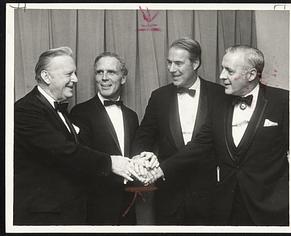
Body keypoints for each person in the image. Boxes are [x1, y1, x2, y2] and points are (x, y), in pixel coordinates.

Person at [152, 45, 289, 226]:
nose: (221, 76)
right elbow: (199, 145)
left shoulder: (284, 101)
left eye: (229, 71)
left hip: (270, 208)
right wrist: (160, 170)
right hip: (226, 207)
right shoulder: (219, 102)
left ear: (251, 75)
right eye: (222, 68)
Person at [14, 47, 143, 225]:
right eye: (69, 74)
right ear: (46, 77)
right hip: (44, 215)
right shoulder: (26, 110)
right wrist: (111, 162)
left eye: (74, 73)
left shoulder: (57, 108)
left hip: (67, 211)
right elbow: (65, 151)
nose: (75, 79)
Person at [132, 38, 218, 225]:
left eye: (178, 63)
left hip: (208, 195)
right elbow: (144, 135)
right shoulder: (159, 96)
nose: (171, 69)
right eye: (169, 62)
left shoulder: (219, 95)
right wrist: (140, 158)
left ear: (196, 63)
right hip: (168, 194)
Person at [70, 52, 139, 225]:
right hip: (96, 207)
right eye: (100, 72)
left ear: (123, 78)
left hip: (128, 205)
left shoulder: (132, 116)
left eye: (111, 72)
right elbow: (81, 159)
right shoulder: (80, 112)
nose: (104, 78)